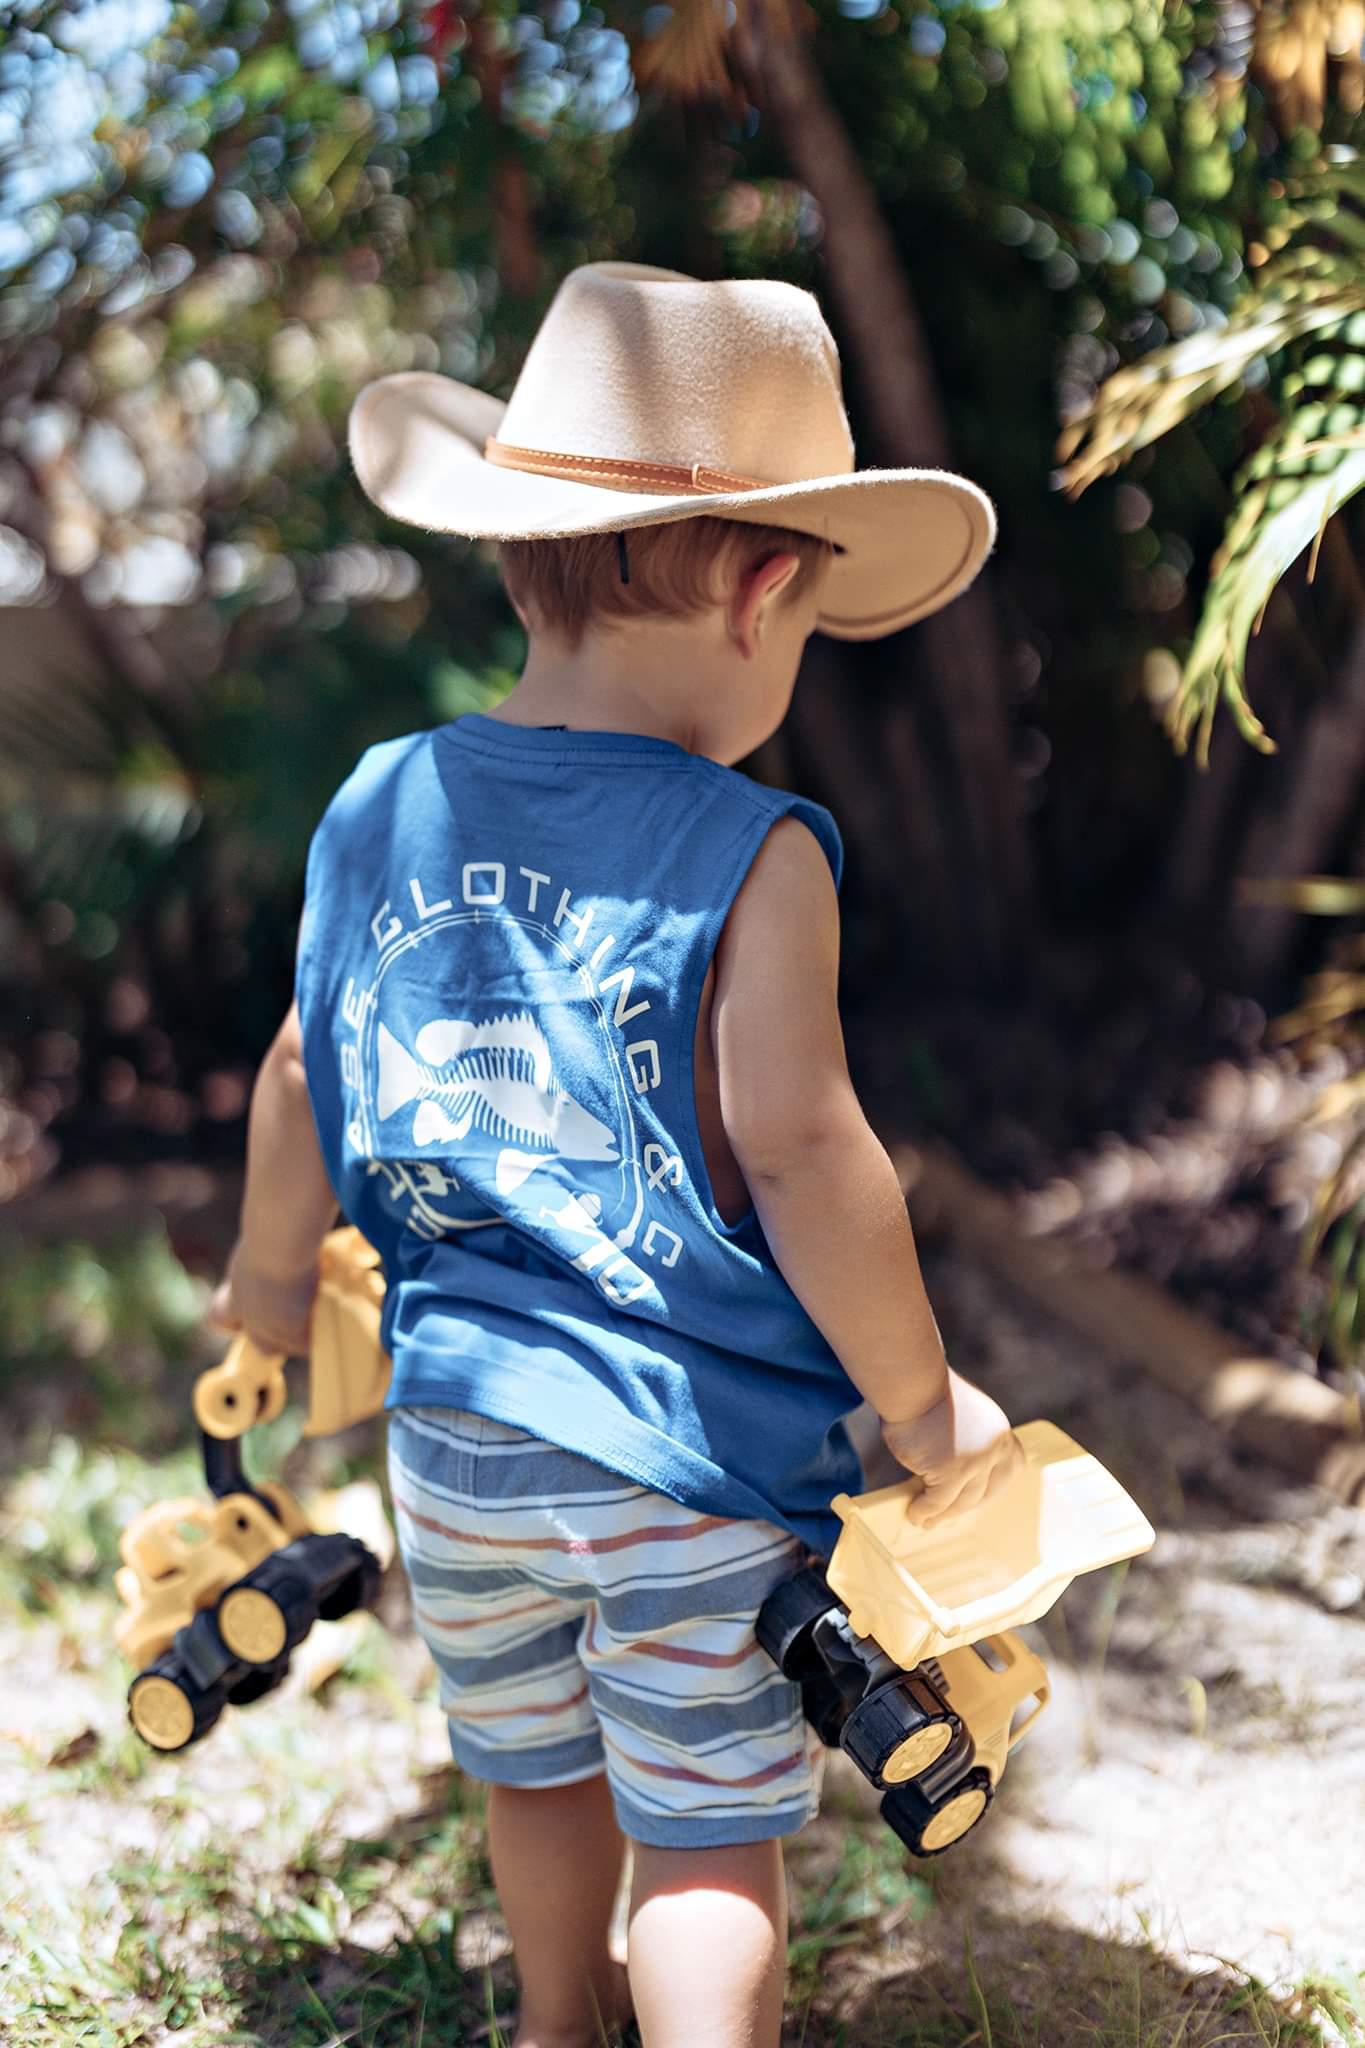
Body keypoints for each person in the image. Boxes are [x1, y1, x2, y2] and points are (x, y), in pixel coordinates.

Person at [209, 262, 1023, 2048]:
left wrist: (268, 1292)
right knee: (711, 1839)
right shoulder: (750, 848)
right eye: (807, 631)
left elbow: (296, 1065)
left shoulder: (378, 803)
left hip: (452, 1450)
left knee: (536, 1775)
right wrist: (921, 1401)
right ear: (757, 590)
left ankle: (555, 2023)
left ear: (520, 558)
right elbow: (807, 1156)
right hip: (685, 1465)